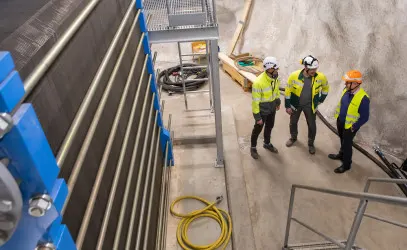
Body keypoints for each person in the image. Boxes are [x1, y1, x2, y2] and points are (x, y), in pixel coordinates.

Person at [284, 55, 329, 154]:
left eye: (315, 69)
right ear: (305, 67)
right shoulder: (294, 75)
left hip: (310, 106)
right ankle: (293, 138)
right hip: (296, 104)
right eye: (312, 69)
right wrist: (287, 106)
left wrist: (321, 100)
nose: (314, 71)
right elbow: (287, 91)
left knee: (312, 125)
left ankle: (311, 143)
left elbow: (326, 88)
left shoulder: (321, 77)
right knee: (293, 122)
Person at [328, 70, 370, 173]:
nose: (345, 84)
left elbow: (365, 117)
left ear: (355, 83)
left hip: (350, 126)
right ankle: (341, 155)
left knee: (347, 145)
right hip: (341, 122)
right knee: (342, 140)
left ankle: (346, 164)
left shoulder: (363, 98)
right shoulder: (346, 91)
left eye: (348, 82)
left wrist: (354, 126)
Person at [250, 56, 281, 159]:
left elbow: (276, 91)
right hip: (262, 109)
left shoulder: (275, 78)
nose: (276, 71)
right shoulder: (258, 83)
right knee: (257, 129)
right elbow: (255, 102)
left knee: (269, 126)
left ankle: (267, 143)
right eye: (275, 69)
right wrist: (257, 117)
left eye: (277, 69)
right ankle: (253, 148)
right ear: (268, 69)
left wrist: (277, 101)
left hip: (272, 107)